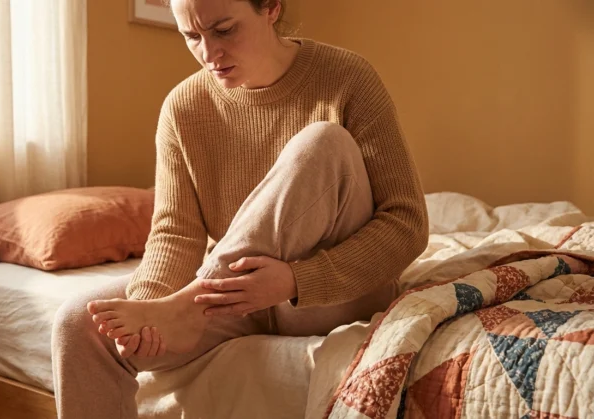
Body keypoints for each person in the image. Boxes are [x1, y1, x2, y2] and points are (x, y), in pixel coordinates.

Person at [51, 0, 429, 417]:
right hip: (234, 297)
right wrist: (151, 304)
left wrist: (295, 279)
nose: (209, 54)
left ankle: (193, 303)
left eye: (225, 30)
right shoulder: (183, 108)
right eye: (192, 37)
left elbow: (406, 223)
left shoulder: (347, 77)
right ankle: (188, 306)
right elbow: (175, 232)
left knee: (322, 141)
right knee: (76, 325)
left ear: (271, 8)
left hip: (331, 293)